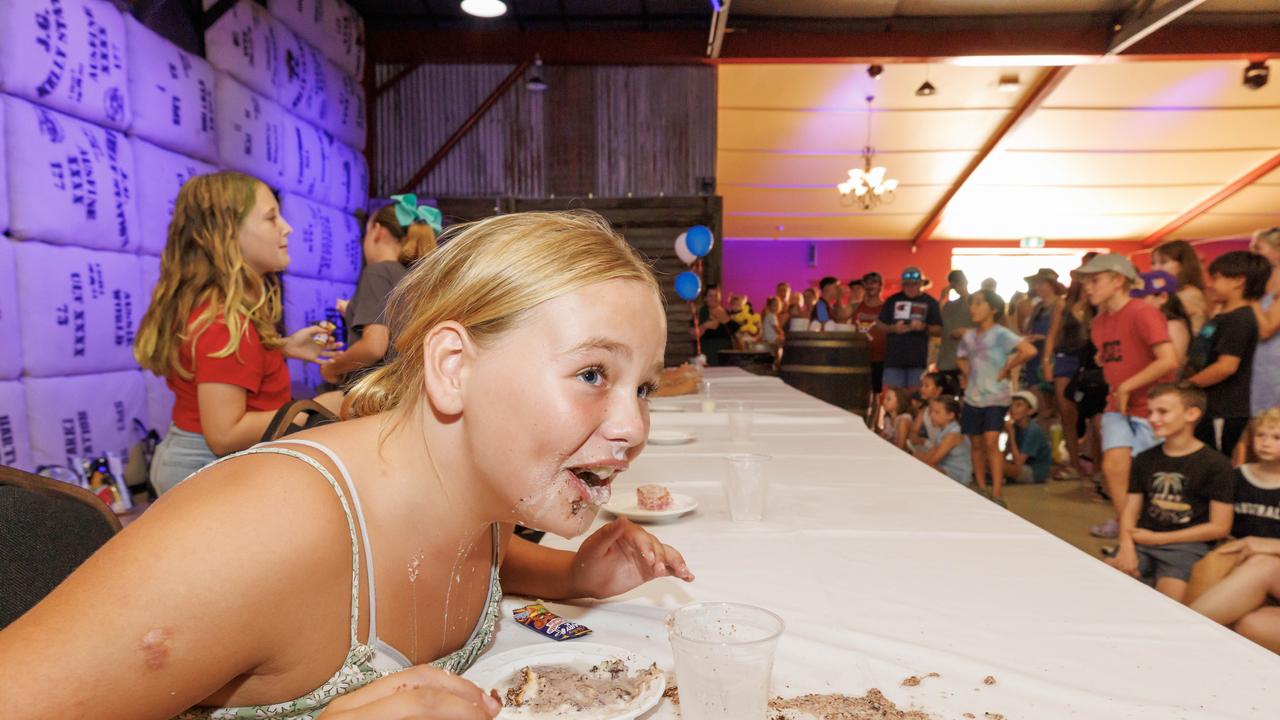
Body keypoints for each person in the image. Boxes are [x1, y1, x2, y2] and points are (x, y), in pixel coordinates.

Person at [3, 210, 695, 719]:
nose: (634, 427)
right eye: (593, 374)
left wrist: (575, 574)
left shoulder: (477, 491)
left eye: (642, 388)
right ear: (454, 368)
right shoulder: (264, 533)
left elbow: (469, 560)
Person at [133, 172, 339, 495]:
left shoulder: (222, 312)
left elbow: (222, 366)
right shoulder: (223, 323)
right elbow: (225, 434)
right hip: (203, 467)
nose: (288, 228)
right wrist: (315, 407)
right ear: (228, 235)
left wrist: (281, 348)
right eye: (271, 218)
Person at [1076, 253, 1180, 539]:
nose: (1088, 287)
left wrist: (1126, 385)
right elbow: (1113, 354)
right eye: (1086, 281)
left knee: (1148, 473)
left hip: (1152, 405)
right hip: (1118, 406)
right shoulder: (1099, 322)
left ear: (1118, 280)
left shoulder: (1142, 312)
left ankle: (1146, 531)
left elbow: (1168, 360)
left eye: (1095, 280)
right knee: (1114, 467)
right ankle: (1128, 531)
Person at [1109, 382, 1234, 602]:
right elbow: (1130, 509)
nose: (1153, 419)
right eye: (1150, 412)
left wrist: (1159, 539)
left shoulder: (1217, 464)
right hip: (1142, 541)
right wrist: (1126, 547)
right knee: (1106, 584)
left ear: (1191, 414)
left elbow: (1220, 527)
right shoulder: (1144, 459)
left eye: (1163, 412)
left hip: (1186, 548)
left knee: (1167, 604)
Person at [321, 196, 439, 389]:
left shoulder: (378, 272)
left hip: (377, 393)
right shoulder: (417, 277)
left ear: (377, 231)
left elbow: (374, 347)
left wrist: (332, 368)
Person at [1190, 408, 1280, 651]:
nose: (1266, 443)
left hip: (1264, 562)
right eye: (1260, 435)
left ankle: (1181, 633)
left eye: (1276, 438)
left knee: (1263, 562)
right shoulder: (1238, 476)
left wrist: (1269, 545)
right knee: (1249, 624)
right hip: (1242, 557)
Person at [955, 290, 1037, 503]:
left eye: (979, 303)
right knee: (976, 442)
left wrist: (1008, 366)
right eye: (972, 303)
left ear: (993, 309)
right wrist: (968, 374)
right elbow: (961, 357)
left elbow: (1028, 350)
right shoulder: (969, 336)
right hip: (973, 396)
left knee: (991, 441)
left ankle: (997, 492)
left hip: (996, 397)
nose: (973, 308)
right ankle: (982, 487)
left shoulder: (1001, 334)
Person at [1186, 251, 1270, 457]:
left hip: (1225, 410)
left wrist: (1187, 386)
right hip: (1215, 409)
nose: (1210, 284)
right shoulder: (1225, 316)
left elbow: (1226, 366)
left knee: (1219, 467)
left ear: (1239, 281)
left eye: (1216, 278)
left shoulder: (1238, 320)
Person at [1043, 272, 1091, 480]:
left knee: (1090, 415)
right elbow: (1052, 335)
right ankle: (1074, 462)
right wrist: (1047, 362)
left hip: (1088, 361)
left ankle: (1093, 465)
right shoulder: (1064, 304)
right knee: (1066, 411)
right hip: (1066, 358)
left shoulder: (1096, 305)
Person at [877, 266, 943, 390]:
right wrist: (893, 329)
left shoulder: (931, 302)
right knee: (893, 399)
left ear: (922, 284)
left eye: (915, 284)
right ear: (902, 285)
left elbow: (939, 330)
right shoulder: (892, 300)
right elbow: (879, 325)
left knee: (916, 399)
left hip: (919, 361)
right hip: (893, 361)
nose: (911, 287)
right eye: (907, 284)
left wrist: (924, 327)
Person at [1023, 268, 1065, 423]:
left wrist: (1044, 338)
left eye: (1040, 283)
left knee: (1055, 402)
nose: (1036, 287)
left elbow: (1061, 333)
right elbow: (1028, 329)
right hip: (1034, 356)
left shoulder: (1060, 304)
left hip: (1051, 357)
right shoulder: (1038, 306)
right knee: (1039, 401)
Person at [1130, 270, 1192, 369]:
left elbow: (1173, 368)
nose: (1135, 304)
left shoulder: (1174, 326)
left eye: (1142, 298)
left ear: (1163, 297)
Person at [1249, 227, 1280, 416]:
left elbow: (1266, 329)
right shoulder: (1262, 283)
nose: (1252, 255)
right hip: (1257, 365)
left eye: (1258, 249)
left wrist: (1249, 298)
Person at [911, 395, 973, 485]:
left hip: (957, 475)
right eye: (931, 412)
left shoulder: (953, 434)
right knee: (917, 456)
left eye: (937, 412)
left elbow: (932, 460)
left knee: (924, 465)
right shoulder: (943, 430)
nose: (932, 415)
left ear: (950, 415)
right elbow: (932, 452)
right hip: (944, 468)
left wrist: (917, 458)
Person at [1152, 240, 1209, 334]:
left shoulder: (1190, 294)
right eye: (1153, 263)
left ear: (1183, 264)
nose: (1155, 268)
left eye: (1163, 262)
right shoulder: (1165, 293)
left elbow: (1196, 331)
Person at [852, 272, 888, 406]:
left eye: (874, 282)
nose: (870, 285)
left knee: (876, 395)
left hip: (879, 357)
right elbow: (840, 317)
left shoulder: (886, 307)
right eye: (867, 283)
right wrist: (838, 298)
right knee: (858, 392)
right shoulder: (856, 306)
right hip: (858, 357)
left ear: (880, 286)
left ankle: (873, 425)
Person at [936, 269, 975, 388]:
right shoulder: (949, 306)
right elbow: (937, 322)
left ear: (966, 281)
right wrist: (943, 297)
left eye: (960, 283)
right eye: (955, 284)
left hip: (969, 356)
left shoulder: (976, 302)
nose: (959, 286)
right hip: (948, 358)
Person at [1005, 391, 1053, 484]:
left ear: (1030, 411)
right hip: (1023, 467)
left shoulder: (1033, 430)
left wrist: (1011, 434)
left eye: (1018, 405)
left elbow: (1018, 463)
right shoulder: (1015, 426)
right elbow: (1005, 452)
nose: (1013, 409)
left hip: (1035, 472)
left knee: (998, 466)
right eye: (1011, 406)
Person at [693, 283, 737, 365]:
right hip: (707, 358)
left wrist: (725, 319)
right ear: (705, 298)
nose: (714, 298)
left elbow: (736, 332)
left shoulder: (727, 313)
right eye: (710, 296)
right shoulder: (700, 313)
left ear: (720, 297)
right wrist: (705, 326)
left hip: (726, 359)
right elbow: (693, 335)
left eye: (716, 295)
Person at [879, 386, 914, 451]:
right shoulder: (888, 418)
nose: (884, 401)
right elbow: (881, 438)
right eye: (884, 398)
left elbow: (901, 446)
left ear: (899, 403)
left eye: (888, 399)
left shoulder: (903, 420)